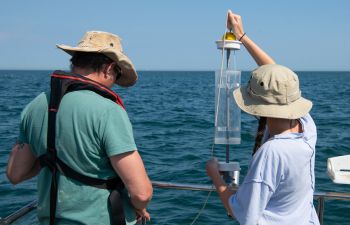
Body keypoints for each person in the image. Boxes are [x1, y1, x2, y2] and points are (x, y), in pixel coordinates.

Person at [7, 31, 153, 225]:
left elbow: (15, 174)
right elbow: (141, 193)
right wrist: (139, 206)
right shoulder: (108, 110)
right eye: (117, 74)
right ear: (109, 68)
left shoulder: (36, 105)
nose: (115, 83)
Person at [206, 10, 320, 225]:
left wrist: (216, 177)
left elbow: (243, 214)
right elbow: (277, 78)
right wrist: (241, 35)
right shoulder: (307, 128)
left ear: (257, 106)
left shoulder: (272, 152)